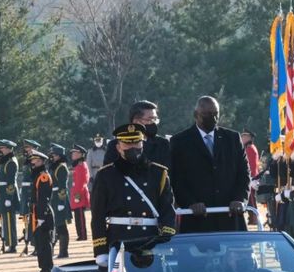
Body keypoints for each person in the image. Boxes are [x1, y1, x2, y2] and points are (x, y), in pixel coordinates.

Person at [91, 123, 176, 269]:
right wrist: (101, 251)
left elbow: (168, 212)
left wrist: (165, 242)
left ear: (142, 144)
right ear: (118, 147)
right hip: (119, 240)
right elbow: (97, 216)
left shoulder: (158, 173)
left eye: (136, 142)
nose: (133, 148)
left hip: (150, 241)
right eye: (127, 144)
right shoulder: (106, 175)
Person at [169, 96, 250, 233]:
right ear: (196, 115)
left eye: (215, 114)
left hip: (230, 216)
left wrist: (239, 198)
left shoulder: (232, 139)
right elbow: (176, 178)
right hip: (196, 219)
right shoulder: (180, 141)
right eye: (206, 114)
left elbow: (243, 173)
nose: (212, 118)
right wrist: (190, 203)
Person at [105, 100, 171, 168]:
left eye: (155, 119)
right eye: (150, 119)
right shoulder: (115, 145)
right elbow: (107, 173)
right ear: (136, 121)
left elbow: (167, 171)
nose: (153, 123)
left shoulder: (162, 144)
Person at [29, 150, 54, 272]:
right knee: (39, 241)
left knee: (44, 241)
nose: (33, 163)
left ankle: (47, 266)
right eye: (33, 161)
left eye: (36, 161)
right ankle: (43, 265)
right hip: (37, 211)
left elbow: (43, 198)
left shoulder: (43, 177)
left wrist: (41, 217)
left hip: (43, 212)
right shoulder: (38, 175)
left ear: (41, 162)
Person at [49, 144, 72, 258]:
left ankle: (64, 252)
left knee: (61, 226)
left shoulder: (62, 167)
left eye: (54, 155)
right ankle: (61, 251)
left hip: (59, 199)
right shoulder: (56, 166)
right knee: (57, 225)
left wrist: (61, 203)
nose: (52, 157)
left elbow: (63, 187)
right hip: (55, 199)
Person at [0, 140, 19, 254]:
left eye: (3, 148)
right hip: (3, 194)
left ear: (9, 149)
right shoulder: (5, 161)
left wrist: (9, 198)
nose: (1, 150)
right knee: (5, 221)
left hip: (8, 194)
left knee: (10, 221)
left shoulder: (11, 162)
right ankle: (9, 243)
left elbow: (11, 182)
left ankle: (12, 244)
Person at [19, 139, 40, 254]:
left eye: (28, 147)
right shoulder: (28, 161)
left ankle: (37, 246)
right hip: (26, 192)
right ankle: (31, 244)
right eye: (25, 147)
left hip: (32, 192)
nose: (26, 149)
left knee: (35, 221)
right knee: (28, 221)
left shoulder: (36, 161)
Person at [69, 144, 90, 241]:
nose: (72, 154)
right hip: (77, 193)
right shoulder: (77, 165)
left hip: (79, 193)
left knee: (80, 216)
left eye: (75, 153)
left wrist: (77, 195)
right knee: (77, 216)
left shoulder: (81, 165)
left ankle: (83, 235)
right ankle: (80, 234)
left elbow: (82, 182)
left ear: (80, 154)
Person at [241, 129, 260, 225]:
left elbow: (251, 165)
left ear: (248, 138)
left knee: (251, 199)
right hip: (252, 177)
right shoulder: (249, 148)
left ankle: (254, 219)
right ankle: (252, 219)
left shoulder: (250, 149)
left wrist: (251, 178)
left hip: (252, 177)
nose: (242, 138)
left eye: (244, 136)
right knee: (250, 199)